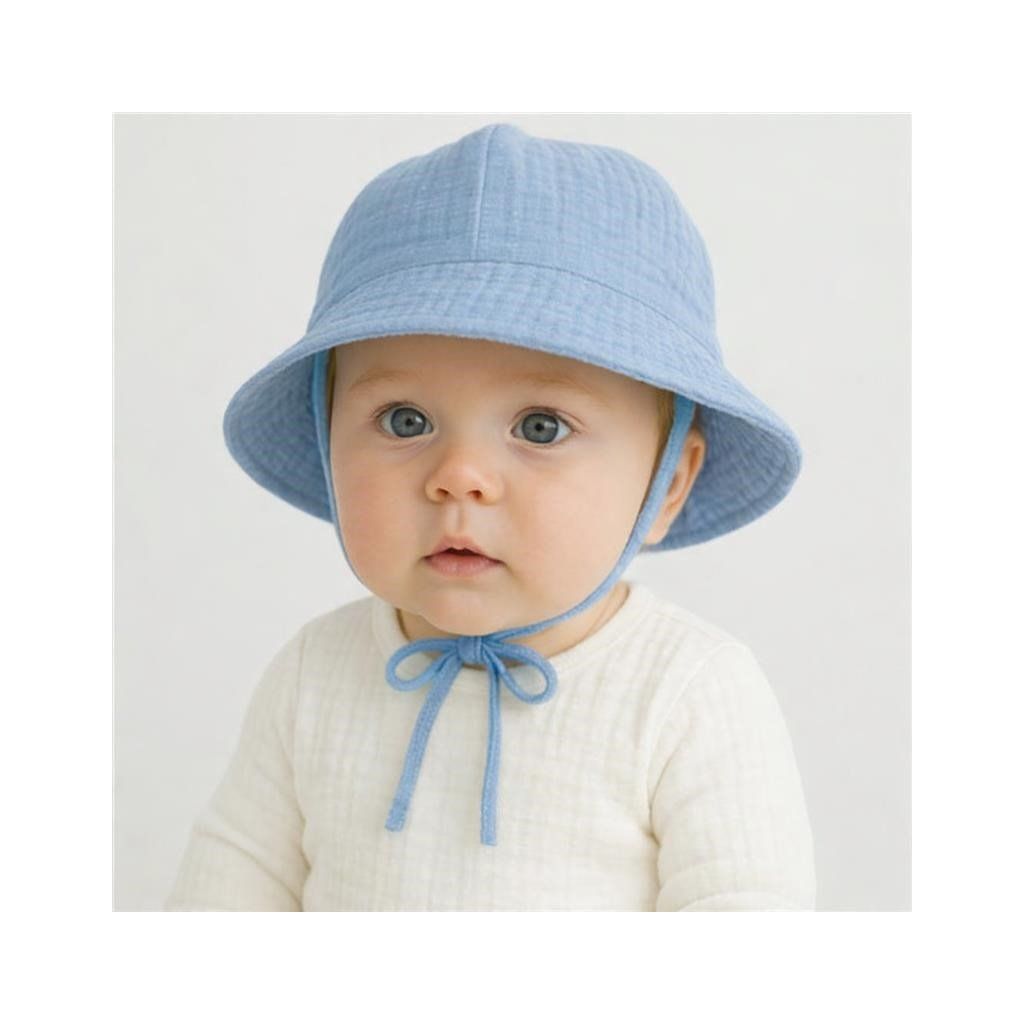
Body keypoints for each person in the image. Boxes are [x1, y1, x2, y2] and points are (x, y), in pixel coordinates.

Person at [165, 122, 816, 911]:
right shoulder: (314, 673)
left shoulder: (687, 691)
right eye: (405, 420)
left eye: (540, 427)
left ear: (668, 482)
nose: (459, 479)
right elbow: (226, 891)